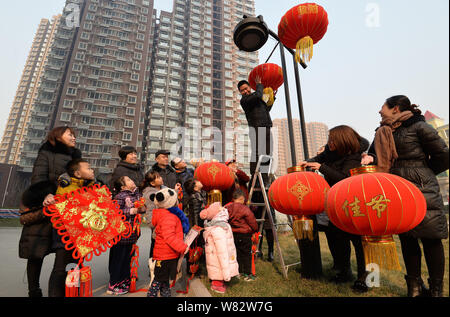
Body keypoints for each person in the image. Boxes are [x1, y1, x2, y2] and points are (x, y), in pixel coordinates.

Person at [361, 95, 449, 297]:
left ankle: (436, 291)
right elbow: (375, 155)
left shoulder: (419, 126)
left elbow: (444, 154)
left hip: (422, 189)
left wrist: (424, 172)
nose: (379, 110)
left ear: (396, 108)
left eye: (382, 106)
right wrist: (369, 158)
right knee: (408, 239)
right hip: (396, 190)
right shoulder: (381, 132)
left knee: (431, 240)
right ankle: (414, 289)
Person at [300, 125, 371, 292]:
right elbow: (318, 158)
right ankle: (343, 270)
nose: (329, 143)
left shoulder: (353, 155)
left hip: (353, 202)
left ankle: (365, 277)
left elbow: (345, 179)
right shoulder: (330, 152)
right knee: (336, 237)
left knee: (359, 242)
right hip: (335, 200)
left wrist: (321, 167)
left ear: (342, 140)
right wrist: (307, 162)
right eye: (329, 139)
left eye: (332, 140)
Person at [51, 158, 96, 297]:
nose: (92, 170)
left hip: (79, 235)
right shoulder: (67, 188)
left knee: (76, 266)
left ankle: (72, 293)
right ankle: (56, 294)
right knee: (60, 267)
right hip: (64, 235)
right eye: (88, 168)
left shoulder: (87, 187)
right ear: (77, 173)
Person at [147, 188, 190, 297]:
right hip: (165, 255)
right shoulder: (169, 217)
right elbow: (169, 237)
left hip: (166, 254)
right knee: (158, 280)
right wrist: (182, 247)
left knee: (164, 279)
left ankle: (165, 294)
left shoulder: (164, 215)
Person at [18, 180, 57, 297]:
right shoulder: (31, 195)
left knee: (63, 262)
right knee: (34, 259)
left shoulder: (67, 188)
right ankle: (34, 291)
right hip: (37, 232)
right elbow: (24, 218)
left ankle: (60, 290)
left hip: (57, 230)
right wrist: (45, 211)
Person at [108, 176, 145, 295]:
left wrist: (142, 208)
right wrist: (131, 211)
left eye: (131, 178)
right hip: (121, 234)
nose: (132, 180)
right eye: (128, 180)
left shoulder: (137, 195)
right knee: (118, 259)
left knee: (127, 260)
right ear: (123, 187)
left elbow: (142, 209)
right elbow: (116, 212)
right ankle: (113, 284)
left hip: (132, 234)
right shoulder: (120, 196)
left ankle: (124, 281)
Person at [200, 202, 239, 294]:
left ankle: (220, 280)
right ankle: (217, 283)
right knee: (218, 266)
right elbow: (222, 251)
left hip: (216, 254)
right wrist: (226, 275)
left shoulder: (218, 227)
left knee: (218, 265)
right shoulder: (220, 227)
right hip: (217, 254)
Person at [225, 189, 258, 281]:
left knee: (236, 253)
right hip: (244, 234)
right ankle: (248, 274)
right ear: (242, 198)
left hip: (233, 234)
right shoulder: (245, 209)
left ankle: (237, 272)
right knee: (246, 254)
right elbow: (252, 222)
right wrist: (255, 229)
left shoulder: (228, 208)